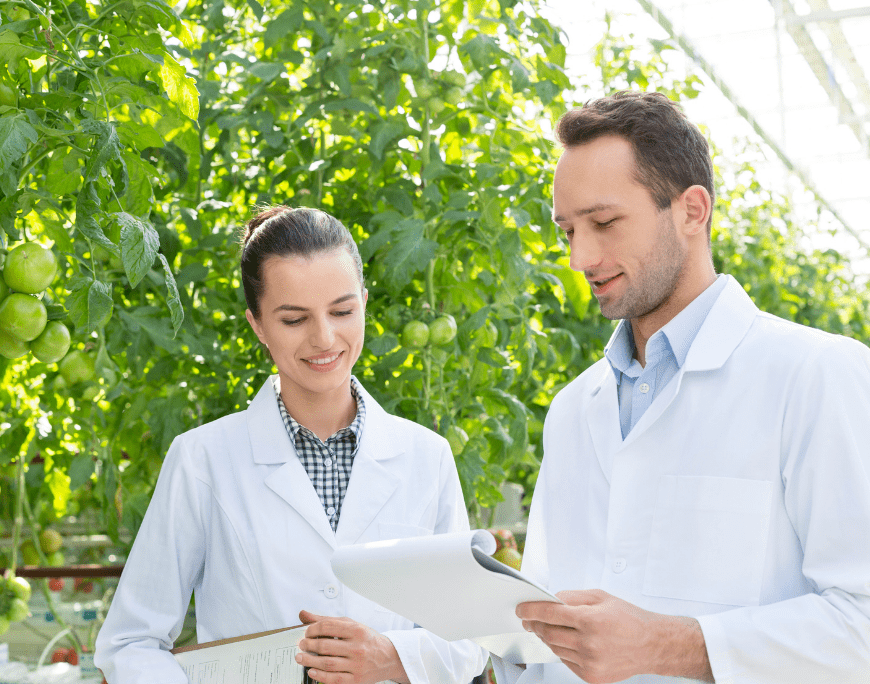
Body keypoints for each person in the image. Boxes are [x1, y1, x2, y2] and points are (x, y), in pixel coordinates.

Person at [493, 91, 870, 684]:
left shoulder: (818, 377)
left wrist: (669, 646)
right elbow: (544, 637)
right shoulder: (572, 410)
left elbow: (862, 624)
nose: (580, 256)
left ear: (693, 210)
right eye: (567, 230)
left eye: (605, 222)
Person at [94, 206, 486, 684]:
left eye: (342, 311)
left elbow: (470, 638)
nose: (324, 338)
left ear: (363, 302)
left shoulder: (426, 455)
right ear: (258, 325)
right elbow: (131, 642)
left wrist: (389, 656)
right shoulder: (203, 460)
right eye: (294, 319)